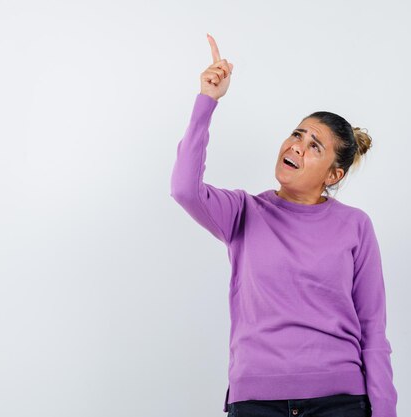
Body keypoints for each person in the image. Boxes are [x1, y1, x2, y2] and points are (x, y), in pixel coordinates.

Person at [170, 33, 398, 417]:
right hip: (257, 402)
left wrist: (386, 411)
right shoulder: (244, 212)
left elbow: (373, 328)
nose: (296, 146)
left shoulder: (355, 226)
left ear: (333, 174)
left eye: (314, 146)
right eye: (297, 134)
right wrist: (207, 100)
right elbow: (184, 189)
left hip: (339, 401)